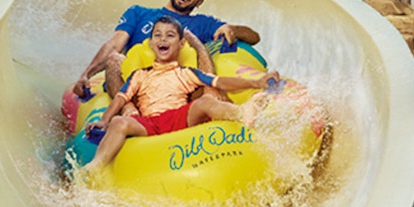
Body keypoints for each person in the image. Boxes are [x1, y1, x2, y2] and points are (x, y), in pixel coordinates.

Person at [81, 15, 278, 171]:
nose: (163, 39)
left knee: (205, 102)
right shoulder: (139, 75)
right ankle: (97, 166)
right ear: (150, 43)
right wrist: (105, 120)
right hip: (150, 122)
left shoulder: (186, 73)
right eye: (157, 35)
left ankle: (242, 113)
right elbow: (120, 99)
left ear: (181, 44)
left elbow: (220, 82)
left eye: (170, 35)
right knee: (119, 122)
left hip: (180, 118)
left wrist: (256, 82)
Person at [71, 0, 261, 97]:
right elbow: (114, 44)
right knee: (114, 59)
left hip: (173, 88)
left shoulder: (203, 24)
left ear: (199, 1)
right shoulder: (139, 12)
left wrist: (232, 29)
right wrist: (86, 75)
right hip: (132, 85)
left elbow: (254, 38)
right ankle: (127, 114)